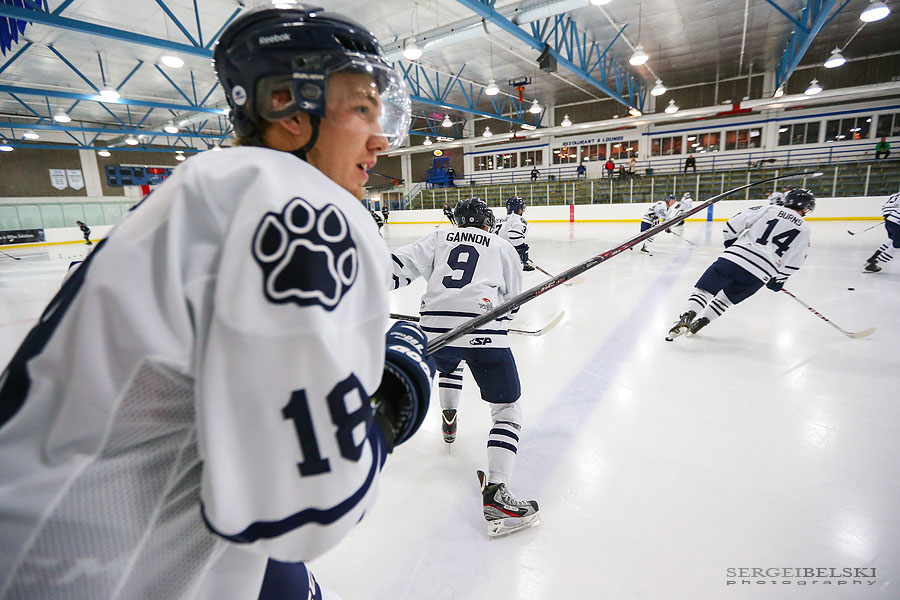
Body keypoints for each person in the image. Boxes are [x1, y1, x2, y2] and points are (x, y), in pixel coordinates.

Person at [0, 6, 436, 600]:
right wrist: (392, 399)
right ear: (286, 104)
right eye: (362, 109)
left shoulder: (216, 188)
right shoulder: (290, 201)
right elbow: (302, 508)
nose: (381, 140)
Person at [389, 197, 540, 538]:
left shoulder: (439, 236)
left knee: (449, 366)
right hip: (484, 332)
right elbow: (512, 304)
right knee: (506, 409)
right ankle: (498, 491)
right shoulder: (502, 246)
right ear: (488, 222)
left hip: (435, 331)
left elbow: (396, 268)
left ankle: (449, 418)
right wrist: (497, 322)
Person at [666, 189, 815, 340]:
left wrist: (731, 244)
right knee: (725, 300)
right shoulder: (805, 229)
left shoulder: (769, 209)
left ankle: (687, 316)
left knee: (704, 290)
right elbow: (796, 261)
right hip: (761, 273)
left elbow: (732, 225)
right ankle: (702, 322)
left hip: (735, 258)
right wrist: (779, 279)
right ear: (805, 207)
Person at [863, 192, 900, 273]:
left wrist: (889, 217)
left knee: (893, 240)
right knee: (897, 245)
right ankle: (875, 264)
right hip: (896, 222)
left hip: (891, 218)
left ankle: (875, 257)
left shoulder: (895, 195)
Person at [497, 195, 534, 271]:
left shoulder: (497, 220)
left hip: (492, 256)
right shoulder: (518, 219)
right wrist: (522, 253)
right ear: (519, 209)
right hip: (506, 259)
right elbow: (514, 235)